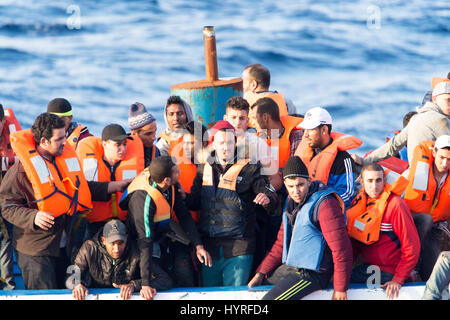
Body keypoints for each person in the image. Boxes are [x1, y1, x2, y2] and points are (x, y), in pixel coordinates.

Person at [0, 113, 122, 290]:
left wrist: (113, 186)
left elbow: (79, 190)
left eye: (64, 137)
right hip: (36, 252)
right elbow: (6, 205)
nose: (65, 142)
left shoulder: (61, 160)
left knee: (69, 292)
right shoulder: (21, 171)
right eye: (59, 139)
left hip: (65, 247)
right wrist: (33, 216)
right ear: (43, 141)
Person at [185, 120, 278, 287]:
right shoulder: (204, 167)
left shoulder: (250, 168)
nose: (225, 147)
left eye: (229, 142)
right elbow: (193, 203)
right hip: (209, 249)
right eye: (221, 143)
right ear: (214, 143)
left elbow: (271, 195)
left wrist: (267, 199)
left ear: (235, 142)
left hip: (239, 248)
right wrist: (178, 195)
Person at [248, 156, 352, 300]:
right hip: (292, 267)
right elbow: (280, 244)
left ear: (309, 181)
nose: (296, 191)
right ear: (285, 184)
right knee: (259, 285)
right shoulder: (291, 203)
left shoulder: (326, 205)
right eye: (291, 186)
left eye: (300, 185)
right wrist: (261, 272)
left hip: (313, 273)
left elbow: (341, 248)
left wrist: (340, 288)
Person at [120, 156, 211, 292]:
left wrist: (198, 245)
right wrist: (146, 284)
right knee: (163, 280)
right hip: (140, 243)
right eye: (176, 171)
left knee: (180, 273)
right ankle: (137, 284)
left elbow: (184, 216)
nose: (179, 172)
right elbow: (145, 241)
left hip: (160, 236)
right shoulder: (144, 199)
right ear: (166, 179)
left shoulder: (170, 186)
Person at [347, 163, 421, 299]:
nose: (374, 186)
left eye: (378, 180)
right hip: (369, 267)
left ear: (384, 181)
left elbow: (412, 247)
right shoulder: (359, 203)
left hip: (390, 271)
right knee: (339, 282)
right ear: (362, 182)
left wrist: (398, 279)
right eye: (370, 181)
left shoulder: (395, 205)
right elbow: (356, 243)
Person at [352, 78, 450, 166]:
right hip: (432, 177)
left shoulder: (416, 118)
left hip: (415, 174)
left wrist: (365, 161)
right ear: (434, 99)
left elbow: (393, 145)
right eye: (448, 100)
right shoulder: (440, 120)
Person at [72, 219, 173, 300]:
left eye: (121, 243)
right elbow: (71, 273)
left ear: (126, 238)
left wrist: (134, 285)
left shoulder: (136, 250)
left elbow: (165, 280)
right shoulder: (90, 247)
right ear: (103, 240)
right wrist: (77, 285)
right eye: (112, 243)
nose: (116, 249)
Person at [76, 124, 144, 239]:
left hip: (124, 224)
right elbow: (83, 189)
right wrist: (116, 186)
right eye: (118, 145)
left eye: (124, 144)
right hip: (95, 224)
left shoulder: (133, 162)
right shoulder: (90, 164)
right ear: (105, 144)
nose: (123, 149)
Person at [401, 135, 450, 281]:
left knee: (431, 273)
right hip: (413, 220)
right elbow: (397, 189)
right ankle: (411, 266)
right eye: (442, 157)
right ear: (434, 152)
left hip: (436, 227)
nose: (444, 163)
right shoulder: (417, 169)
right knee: (426, 219)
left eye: (449, 159)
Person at [294, 107, 360, 208]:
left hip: (327, 210)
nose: (305, 134)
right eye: (305, 129)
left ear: (324, 130)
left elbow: (347, 195)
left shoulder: (343, 159)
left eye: (310, 129)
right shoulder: (305, 152)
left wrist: (320, 205)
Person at [223, 96, 276, 176]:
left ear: (247, 121)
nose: (237, 122)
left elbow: (273, 177)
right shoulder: (216, 142)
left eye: (241, 118)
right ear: (225, 119)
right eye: (233, 118)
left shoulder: (259, 145)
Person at [250, 97, 304, 170]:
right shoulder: (258, 138)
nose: (252, 123)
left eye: (254, 118)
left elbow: (296, 169)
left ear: (265, 118)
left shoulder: (295, 135)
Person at [0, 104, 21, 290]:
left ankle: (8, 285)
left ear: (3, 122)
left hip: (7, 194)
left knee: (6, 237)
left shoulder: (13, 136)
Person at [242, 64, 297, 128]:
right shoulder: (286, 102)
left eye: (243, 82)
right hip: (279, 136)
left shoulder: (246, 102)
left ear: (253, 84)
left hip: (257, 136)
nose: (242, 86)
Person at [128, 102, 160, 167]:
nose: (154, 138)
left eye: (155, 132)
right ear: (134, 133)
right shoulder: (122, 151)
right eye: (148, 134)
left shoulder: (156, 151)